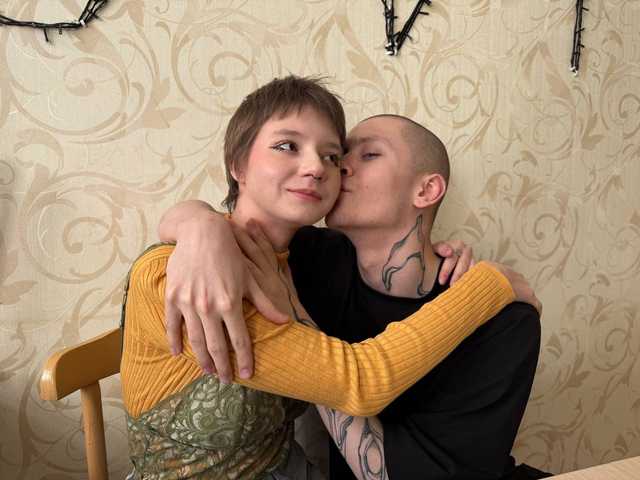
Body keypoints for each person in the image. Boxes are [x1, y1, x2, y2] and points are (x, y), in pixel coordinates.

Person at [120, 76, 540, 479]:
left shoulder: (301, 260)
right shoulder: (183, 275)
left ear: (427, 190)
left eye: (331, 156)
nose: (320, 169)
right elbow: (360, 381)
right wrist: (491, 284)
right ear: (237, 165)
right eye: (287, 146)